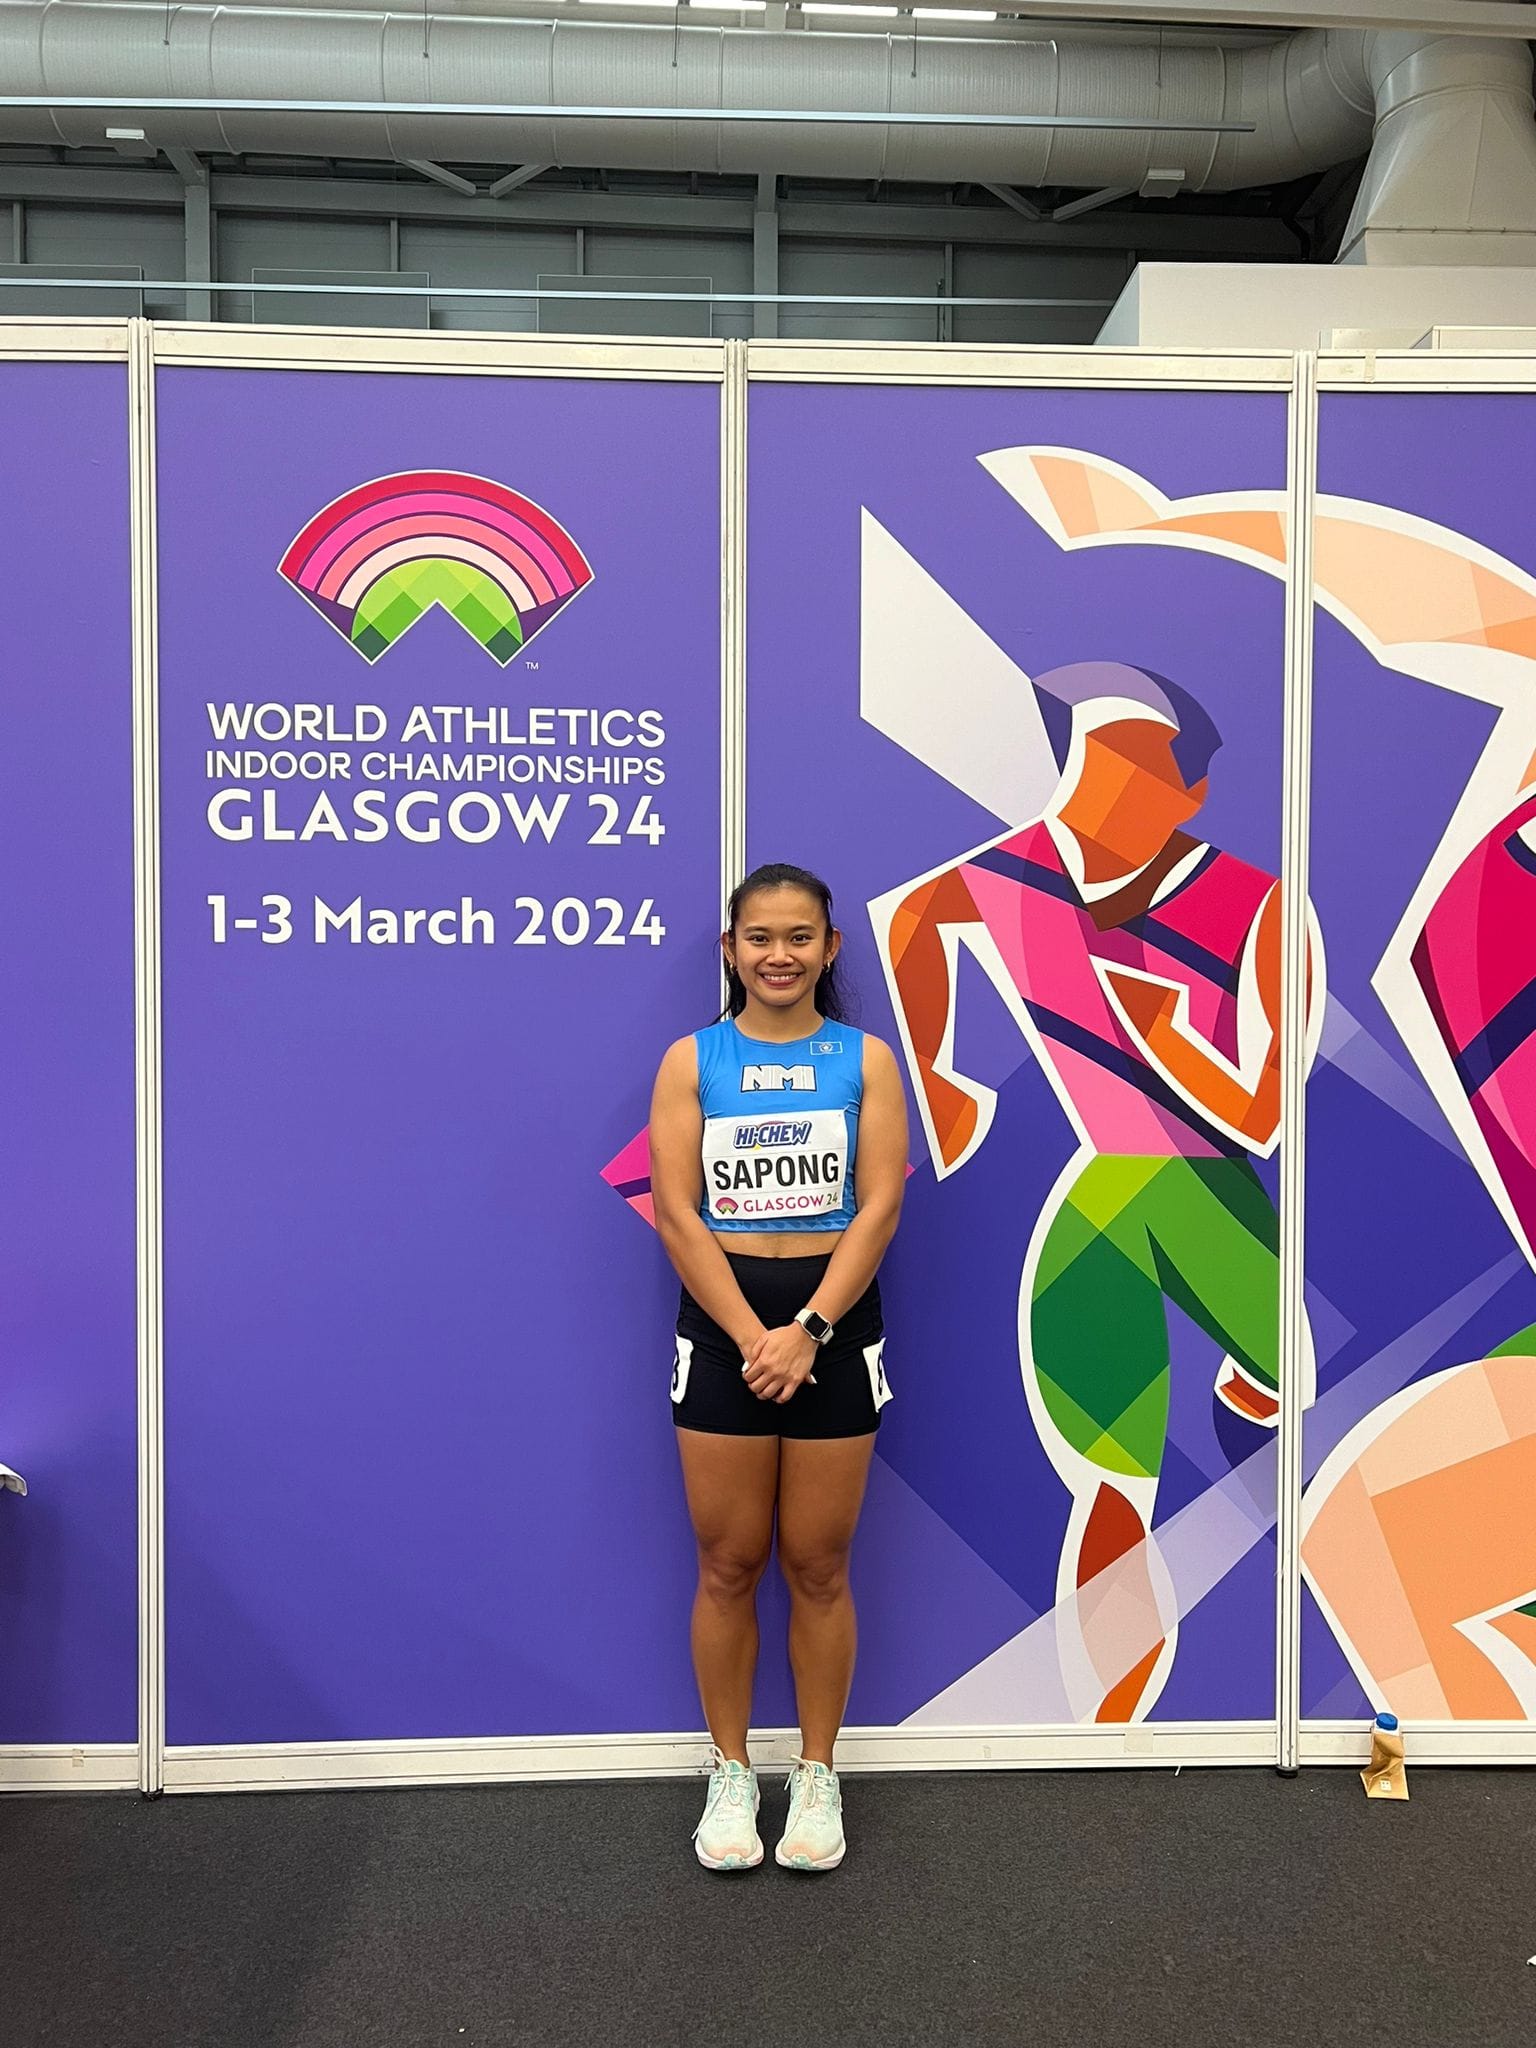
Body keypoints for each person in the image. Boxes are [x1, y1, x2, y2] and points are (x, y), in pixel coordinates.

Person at [874, 662, 1320, 1723]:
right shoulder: (1024, 875)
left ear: (1189, 791)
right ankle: (1109, 1721)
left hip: (1212, 1185)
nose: (1094, 783)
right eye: (1084, 752)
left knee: (1284, 1377)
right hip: (1108, 1196)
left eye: (1132, 761)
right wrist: (943, 1085)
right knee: (1114, 1480)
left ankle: (1254, 1384)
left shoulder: (1258, 905)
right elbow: (915, 923)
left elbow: (1258, 1113)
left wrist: (1172, 1046)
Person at [648, 862, 908, 1872]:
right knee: (727, 1561)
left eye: (800, 935)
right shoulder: (691, 1060)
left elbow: (879, 1203)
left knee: (818, 1562)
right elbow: (677, 1210)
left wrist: (804, 1327)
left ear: (830, 948)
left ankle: (816, 1772)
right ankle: (727, 1773)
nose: (779, 953)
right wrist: (754, 1332)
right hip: (722, 1327)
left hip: (832, 1324)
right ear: (731, 950)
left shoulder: (867, 1060)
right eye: (759, 936)